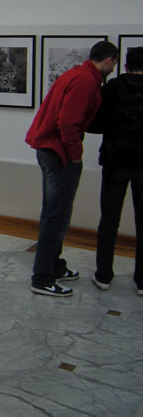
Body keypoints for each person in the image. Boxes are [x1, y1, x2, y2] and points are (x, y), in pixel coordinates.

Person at [25, 41, 119, 297]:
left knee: (54, 214)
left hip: (50, 150)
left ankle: (54, 266)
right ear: (109, 61)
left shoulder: (76, 75)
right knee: (56, 217)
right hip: (58, 153)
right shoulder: (85, 81)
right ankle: (42, 278)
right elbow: (68, 123)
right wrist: (75, 156)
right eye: (114, 64)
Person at [87, 46, 143, 295]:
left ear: (125, 65)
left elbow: (95, 124)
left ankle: (103, 275)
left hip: (114, 162)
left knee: (109, 220)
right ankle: (141, 281)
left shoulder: (112, 88)